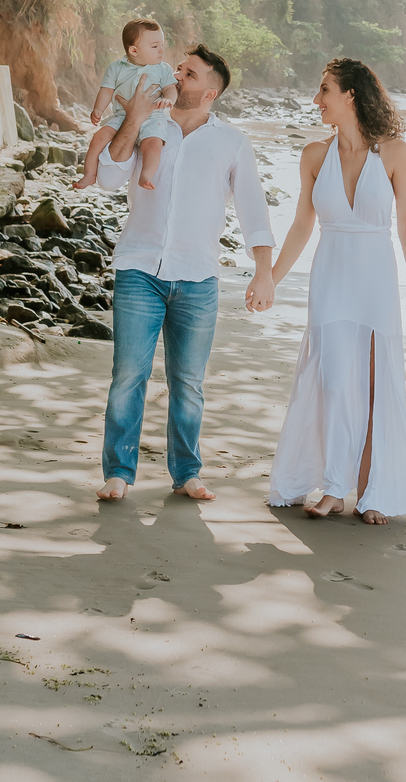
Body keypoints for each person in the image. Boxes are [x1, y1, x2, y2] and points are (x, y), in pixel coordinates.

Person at [94, 44, 275, 503]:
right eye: (178, 69)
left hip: (198, 278)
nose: (176, 78)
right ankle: (118, 472)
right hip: (139, 269)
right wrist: (134, 116)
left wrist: (264, 271)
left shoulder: (231, 143)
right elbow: (111, 178)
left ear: (210, 92)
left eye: (188, 75)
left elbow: (253, 208)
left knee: (189, 382)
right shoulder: (148, 129)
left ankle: (187, 473)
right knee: (128, 375)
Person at [267, 58, 406, 526]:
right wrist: (271, 279)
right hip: (331, 278)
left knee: (381, 385)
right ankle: (336, 488)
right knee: (337, 381)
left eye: (324, 90)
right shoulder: (314, 156)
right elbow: (302, 224)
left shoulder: (395, 153)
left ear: (351, 95)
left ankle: (375, 489)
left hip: (377, 280)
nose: (316, 100)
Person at [76, 18, 178, 192]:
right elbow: (107, 90)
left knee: (153, 145)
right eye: (154, 46)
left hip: (154, 118)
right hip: (121, 117)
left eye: (162, 45)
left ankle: (146, 175)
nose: (161, 50)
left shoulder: (163, 69)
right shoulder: (116, 68)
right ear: (134, 50)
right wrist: (99, 109)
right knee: (98, 137)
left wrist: (169, 99)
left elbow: (170, 88)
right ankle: (89, 173)